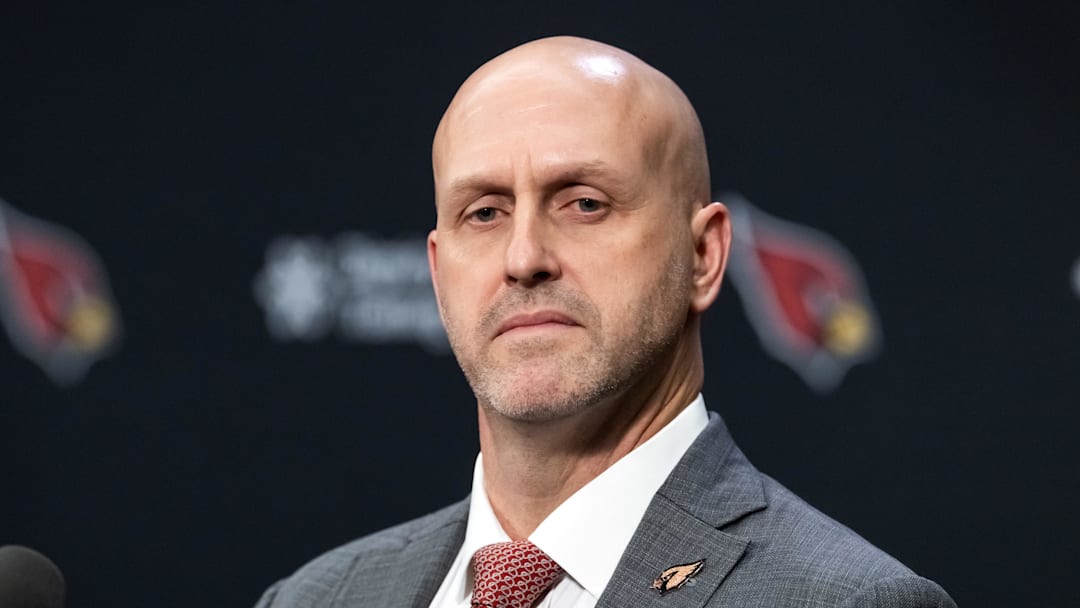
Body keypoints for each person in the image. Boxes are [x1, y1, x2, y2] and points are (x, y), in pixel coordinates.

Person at [255, 36, 956, 608]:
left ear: (704, 255)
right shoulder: (315, 598)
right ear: (438, 275)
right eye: (486, 212)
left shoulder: (847, 600)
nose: (524, 256)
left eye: (584, 203)